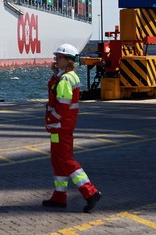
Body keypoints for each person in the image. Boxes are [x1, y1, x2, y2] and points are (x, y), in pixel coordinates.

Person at [42, 43, 102, 212]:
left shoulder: (66, 79)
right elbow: (56, 91)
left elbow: (62, 106)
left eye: (59, 57)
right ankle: (59, 196)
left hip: (61, 126)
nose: (56, 60)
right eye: (56, 57)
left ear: (68, 61)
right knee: (57, 160)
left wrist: (52, 120)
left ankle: (90, 192)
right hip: (59, 127)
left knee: (66, 160)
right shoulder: (65, 76)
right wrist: (55, 74)